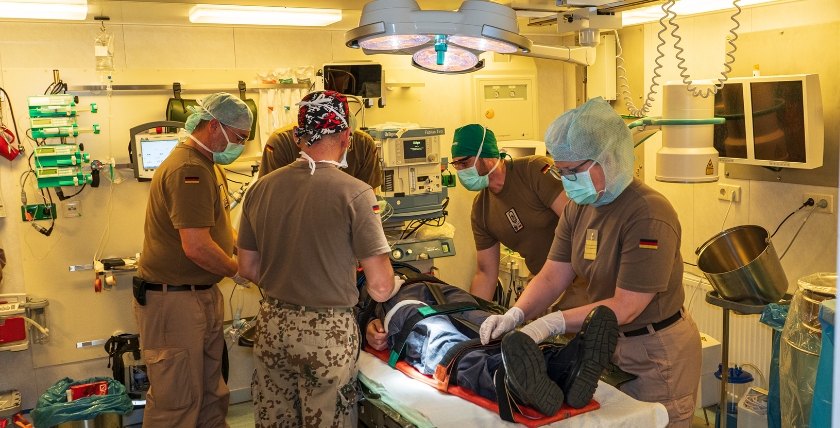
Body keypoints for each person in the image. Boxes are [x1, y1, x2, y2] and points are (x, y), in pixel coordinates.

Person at [479, 97, 702, 427]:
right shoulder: (580, 206)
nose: (566, 180)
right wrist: (518, 313)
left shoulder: (647, 213)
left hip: (656, 352)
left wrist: (550, 323)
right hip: (607, 345)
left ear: (607, 158)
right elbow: (553, 274)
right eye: (560, 171)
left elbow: (626, 306)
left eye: (572, 171)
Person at [237, 90, 399, 428]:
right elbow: (382, 287)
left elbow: (248, 268)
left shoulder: (260, 189)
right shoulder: (355, 193)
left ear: (298, 137)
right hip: (326, 333)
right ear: (346, 137)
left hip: (271, 326)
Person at [133, 92, 254, 427]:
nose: (241, 145)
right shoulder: (188, 168)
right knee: (179, 400)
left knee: (211, 395)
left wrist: (248, 253)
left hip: (199, 296)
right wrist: (240, 272)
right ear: (214, 126)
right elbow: (197, 247)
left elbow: (221, 228)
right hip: (174, 302)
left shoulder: (208, 166)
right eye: (240, 137)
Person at [362, 272, 618, 419]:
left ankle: (558, 367)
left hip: (434, 287)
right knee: (442, 338)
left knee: (490, 331)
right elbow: (345, 318)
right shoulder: (343, 275)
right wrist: (367, 324)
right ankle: (516, 376)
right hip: (392, 302)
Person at [449, 124, 586, 308]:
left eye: (464, 163)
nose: (460, 171)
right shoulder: (481, 210)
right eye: (455, 165)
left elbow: (578, 223)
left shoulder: (535, 170)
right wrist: (473, 317)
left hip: (581, 276)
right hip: (543, 281)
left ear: (487, 155)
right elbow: (485, 273)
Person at [258, 120, 382, 189]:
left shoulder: (363, 145)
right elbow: (270, 200)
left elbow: (368, 203)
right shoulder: (281, 143)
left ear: (346, 136)